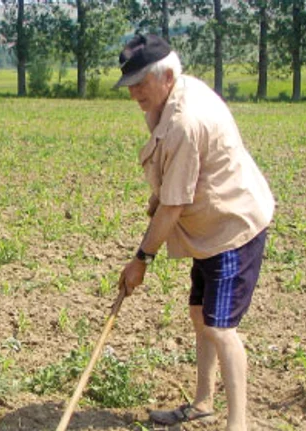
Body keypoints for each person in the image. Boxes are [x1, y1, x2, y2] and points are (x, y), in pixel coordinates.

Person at [115, 35, 275, 431]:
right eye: (130, 84)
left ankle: (238, 425)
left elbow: (174, 206)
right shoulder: (170, 97)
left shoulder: (187, 121)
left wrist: (141, 261)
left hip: (231, 226)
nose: (134, 92)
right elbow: (175, 181)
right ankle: (204, 404)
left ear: (167, 76)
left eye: (140, 83)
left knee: (221, 328)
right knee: (199, 314)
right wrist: (162, 193)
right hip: (208, 225)